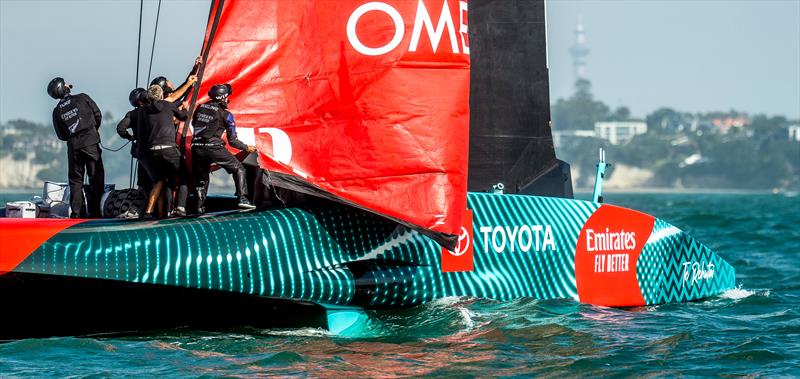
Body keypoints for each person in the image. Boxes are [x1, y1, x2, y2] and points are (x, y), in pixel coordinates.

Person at [185, 83, 256, 215]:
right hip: (213, 148)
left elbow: (195, 124)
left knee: (201, 180)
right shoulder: (227, 114)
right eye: (227, 97)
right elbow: (233, 141)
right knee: (239, 168)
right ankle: (243, 199)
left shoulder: (200, 107)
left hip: (196, 148)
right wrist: (247, 147)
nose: (228, 100)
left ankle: (199, 208)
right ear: (222, 97)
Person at [48, 77, 105, 218]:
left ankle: (76, 214)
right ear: (64, 88)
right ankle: (95, 213)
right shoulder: (82, 97)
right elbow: (98, 115)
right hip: (91, 142)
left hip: (73, 148)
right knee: (96, 177)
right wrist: (92, 131)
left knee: (75, 181)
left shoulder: (56, 112)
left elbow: (61, 135)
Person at [140, 85, 187, 218]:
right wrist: (185, 108)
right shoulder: (168, 105)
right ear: (161, 96)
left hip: (153, 152)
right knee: (183, 177)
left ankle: (165, 212)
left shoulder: (144, 111)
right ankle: (181, 208)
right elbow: (183, 117)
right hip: (169, 149)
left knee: (165, 180)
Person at [116, 88, 151, 195]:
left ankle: (141, 202)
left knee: (142, 179)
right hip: (152, 148)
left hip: (139, 150)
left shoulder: (132, 114)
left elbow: (120, 128)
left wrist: (130, 137)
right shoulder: (153, 110)